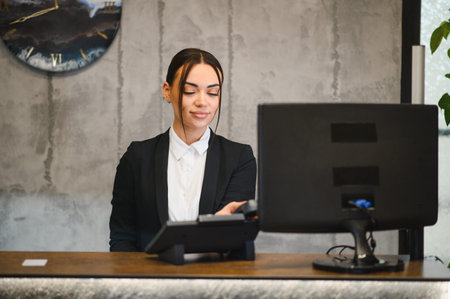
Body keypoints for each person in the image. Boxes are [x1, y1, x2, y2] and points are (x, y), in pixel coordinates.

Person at [109, 48, 257, 251]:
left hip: (215, 279)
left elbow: (234, 240)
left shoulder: (240, 159)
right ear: (167, 90)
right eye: (190, 91)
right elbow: (122, 238)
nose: (202, 102)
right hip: (149, 279)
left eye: (212, 92)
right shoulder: (137, 158)